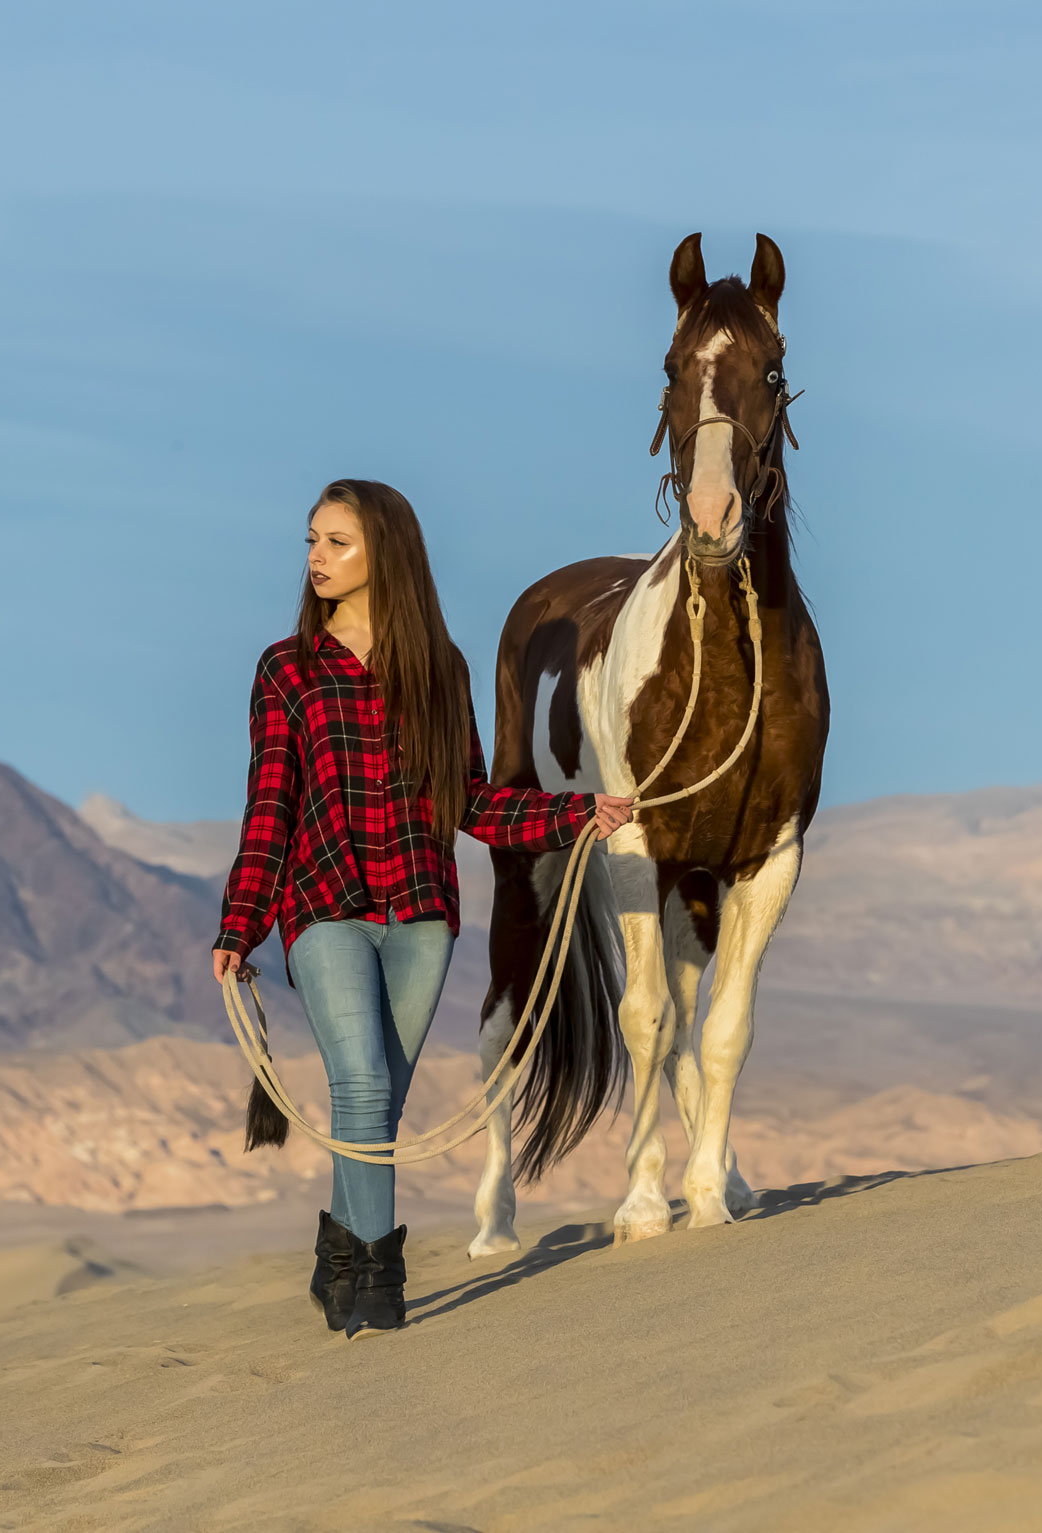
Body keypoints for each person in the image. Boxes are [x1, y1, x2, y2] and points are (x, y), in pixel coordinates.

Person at [211, 479, 634, 1339]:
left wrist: (576, 810)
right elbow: (270, 807)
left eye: (336, 542)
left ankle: (338, 1260)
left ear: (385, 555)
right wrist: (240, 923)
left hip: (420, 915)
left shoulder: (441, 667)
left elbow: (473, 802)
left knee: (377, 1105)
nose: (315, 558)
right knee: (362, 1084)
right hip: (323, 906)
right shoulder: (285, 669)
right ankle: (377, 1279)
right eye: (312, 541)